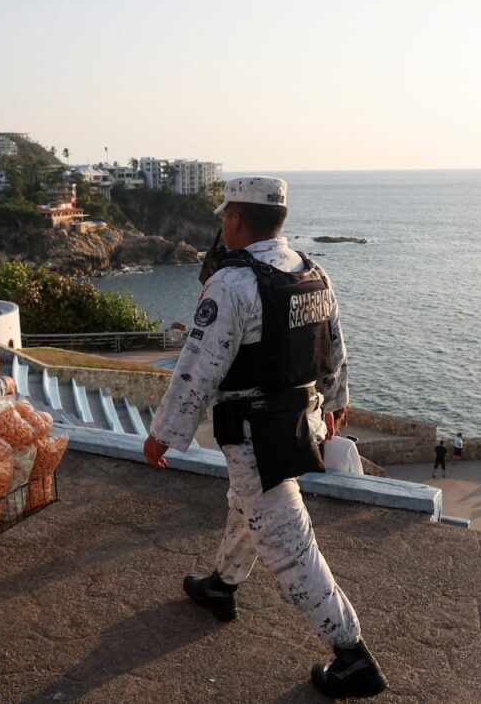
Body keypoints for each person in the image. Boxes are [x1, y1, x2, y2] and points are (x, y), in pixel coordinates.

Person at [143, 176, 386, 698]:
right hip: (303, 417)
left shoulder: (232, 284)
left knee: (289, 541)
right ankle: (222, 585)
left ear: (234, 219)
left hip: (255, 432)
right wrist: (337, 401)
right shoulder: (311, 271)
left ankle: (353, 656)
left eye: (223, 216)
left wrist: (163, 434)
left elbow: (196, 369)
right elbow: (334, 345)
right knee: (247, 504)